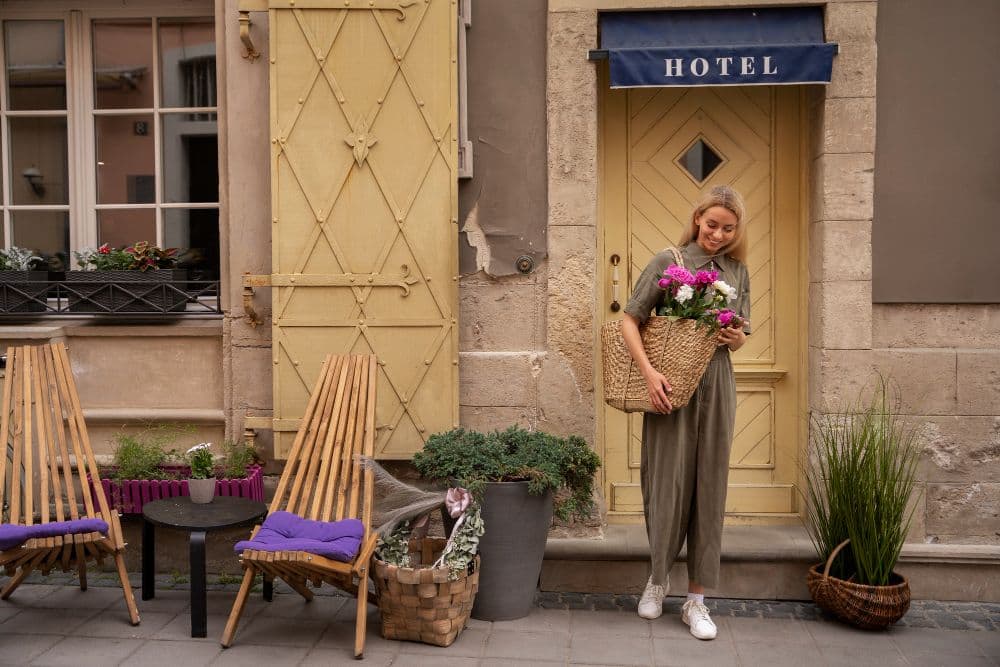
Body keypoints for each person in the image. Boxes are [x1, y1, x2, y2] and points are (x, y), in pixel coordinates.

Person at [620, 185, 751, 640]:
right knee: (666, 483)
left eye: (728, 228)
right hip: (670, 387)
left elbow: (739, 332)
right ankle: (657, 580)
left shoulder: (737, 271)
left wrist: (737, 338)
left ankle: (696, 600)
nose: (718, 234)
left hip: (716, 387)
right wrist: (650, 374)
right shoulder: (667, 262)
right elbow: (629, 320)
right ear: (698, 218)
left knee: (708, 488)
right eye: (712, 224)